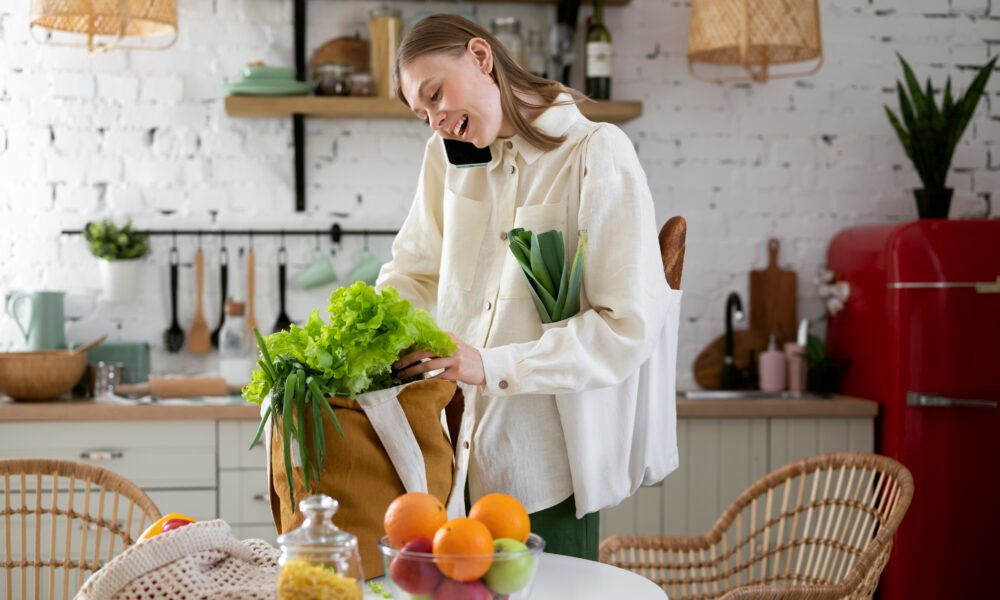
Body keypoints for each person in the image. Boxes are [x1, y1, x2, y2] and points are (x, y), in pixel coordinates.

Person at [375, 13, 681, 561]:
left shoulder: (595, 153)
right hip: (446, 465)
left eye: (436, 94)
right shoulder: (447, 158)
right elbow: (414, 272)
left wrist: (488, 365)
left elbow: (624, 327)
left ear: (481, 56)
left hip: (543, 476)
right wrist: (366, 341)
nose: (435, 121)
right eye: (422, 113)